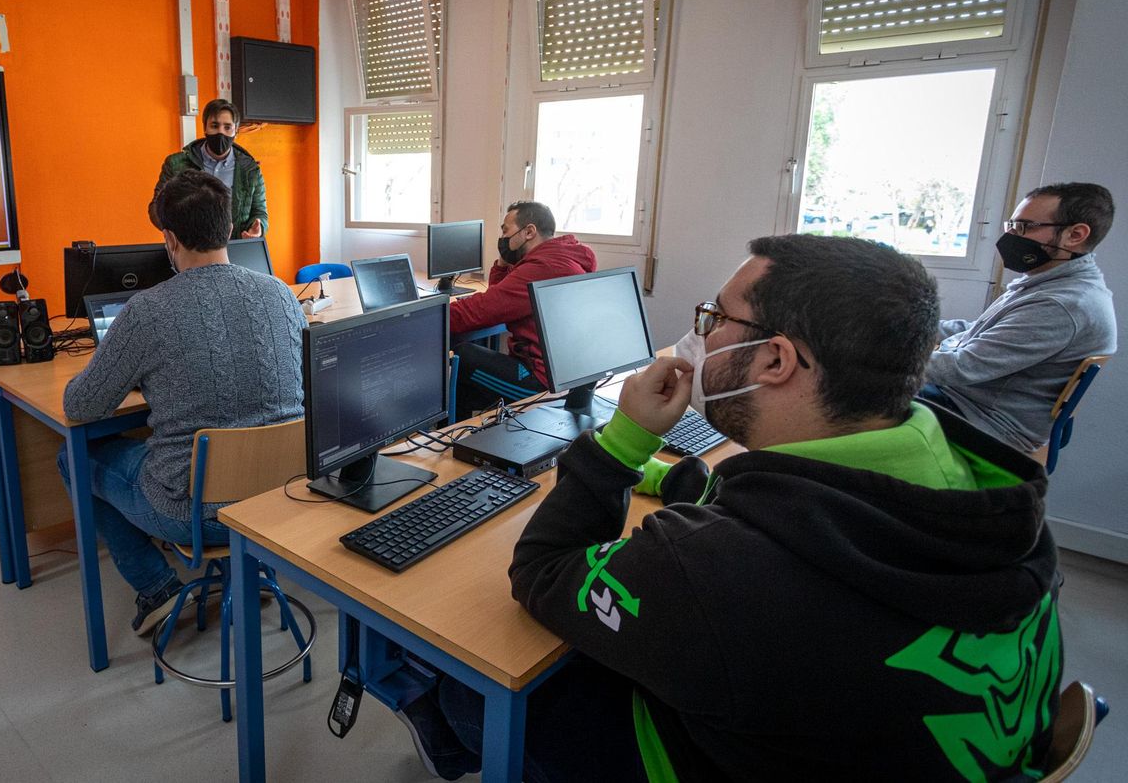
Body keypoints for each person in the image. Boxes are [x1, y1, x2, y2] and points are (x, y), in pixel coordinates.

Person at [399, 235, 1061, 782]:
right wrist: (682, 481)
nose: (700, 337)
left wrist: (623, 442)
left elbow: (543, 571)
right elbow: (812, 517)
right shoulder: (991, 497)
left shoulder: (711, 572)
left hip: (695, 758)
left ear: (775, 358)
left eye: (713, 320)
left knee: (485, 675)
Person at [62, 169, 305, 635]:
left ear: (170, 240)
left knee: (72, 457)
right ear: (229, 227)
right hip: (281, 497)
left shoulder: (147, 311)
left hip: (194, 513)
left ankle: (157, 588)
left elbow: (80, 406)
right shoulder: (281, 294)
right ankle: (248, 567)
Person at [923, 182, 1116, 452]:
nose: (1011, 236)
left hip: (983, 422)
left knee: (864, 388)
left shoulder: (1062, 305)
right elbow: (978, 331)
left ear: (1075, 235)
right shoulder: (1051, 284)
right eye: (1011, 225)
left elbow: (962, 368)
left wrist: (876, 356)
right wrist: (910, 328)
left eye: (1024, 227)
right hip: (967, 402)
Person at [448, 201, 596, 415]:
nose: (503, 239)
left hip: (545, 385)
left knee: (462, 356)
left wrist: (430, 318)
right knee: (469, 383)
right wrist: (503, 262)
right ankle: (469, 432)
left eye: (505, 231)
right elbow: (499, 298)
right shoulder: (559, 258)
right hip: (563, 376)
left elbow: (481, 310)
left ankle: (447, 433)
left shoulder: (544, 268)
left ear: (529, 232)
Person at [150, 98, 268, 239]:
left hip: (234, 247)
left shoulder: (250, 170)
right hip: (190, 247)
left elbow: (260, 212)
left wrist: (258, 229)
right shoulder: (176, 164)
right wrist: (180, 232)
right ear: (205, 128)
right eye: (214, 126)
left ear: (236, 131)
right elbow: (157, 208)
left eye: (227, 127)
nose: (220, 132)